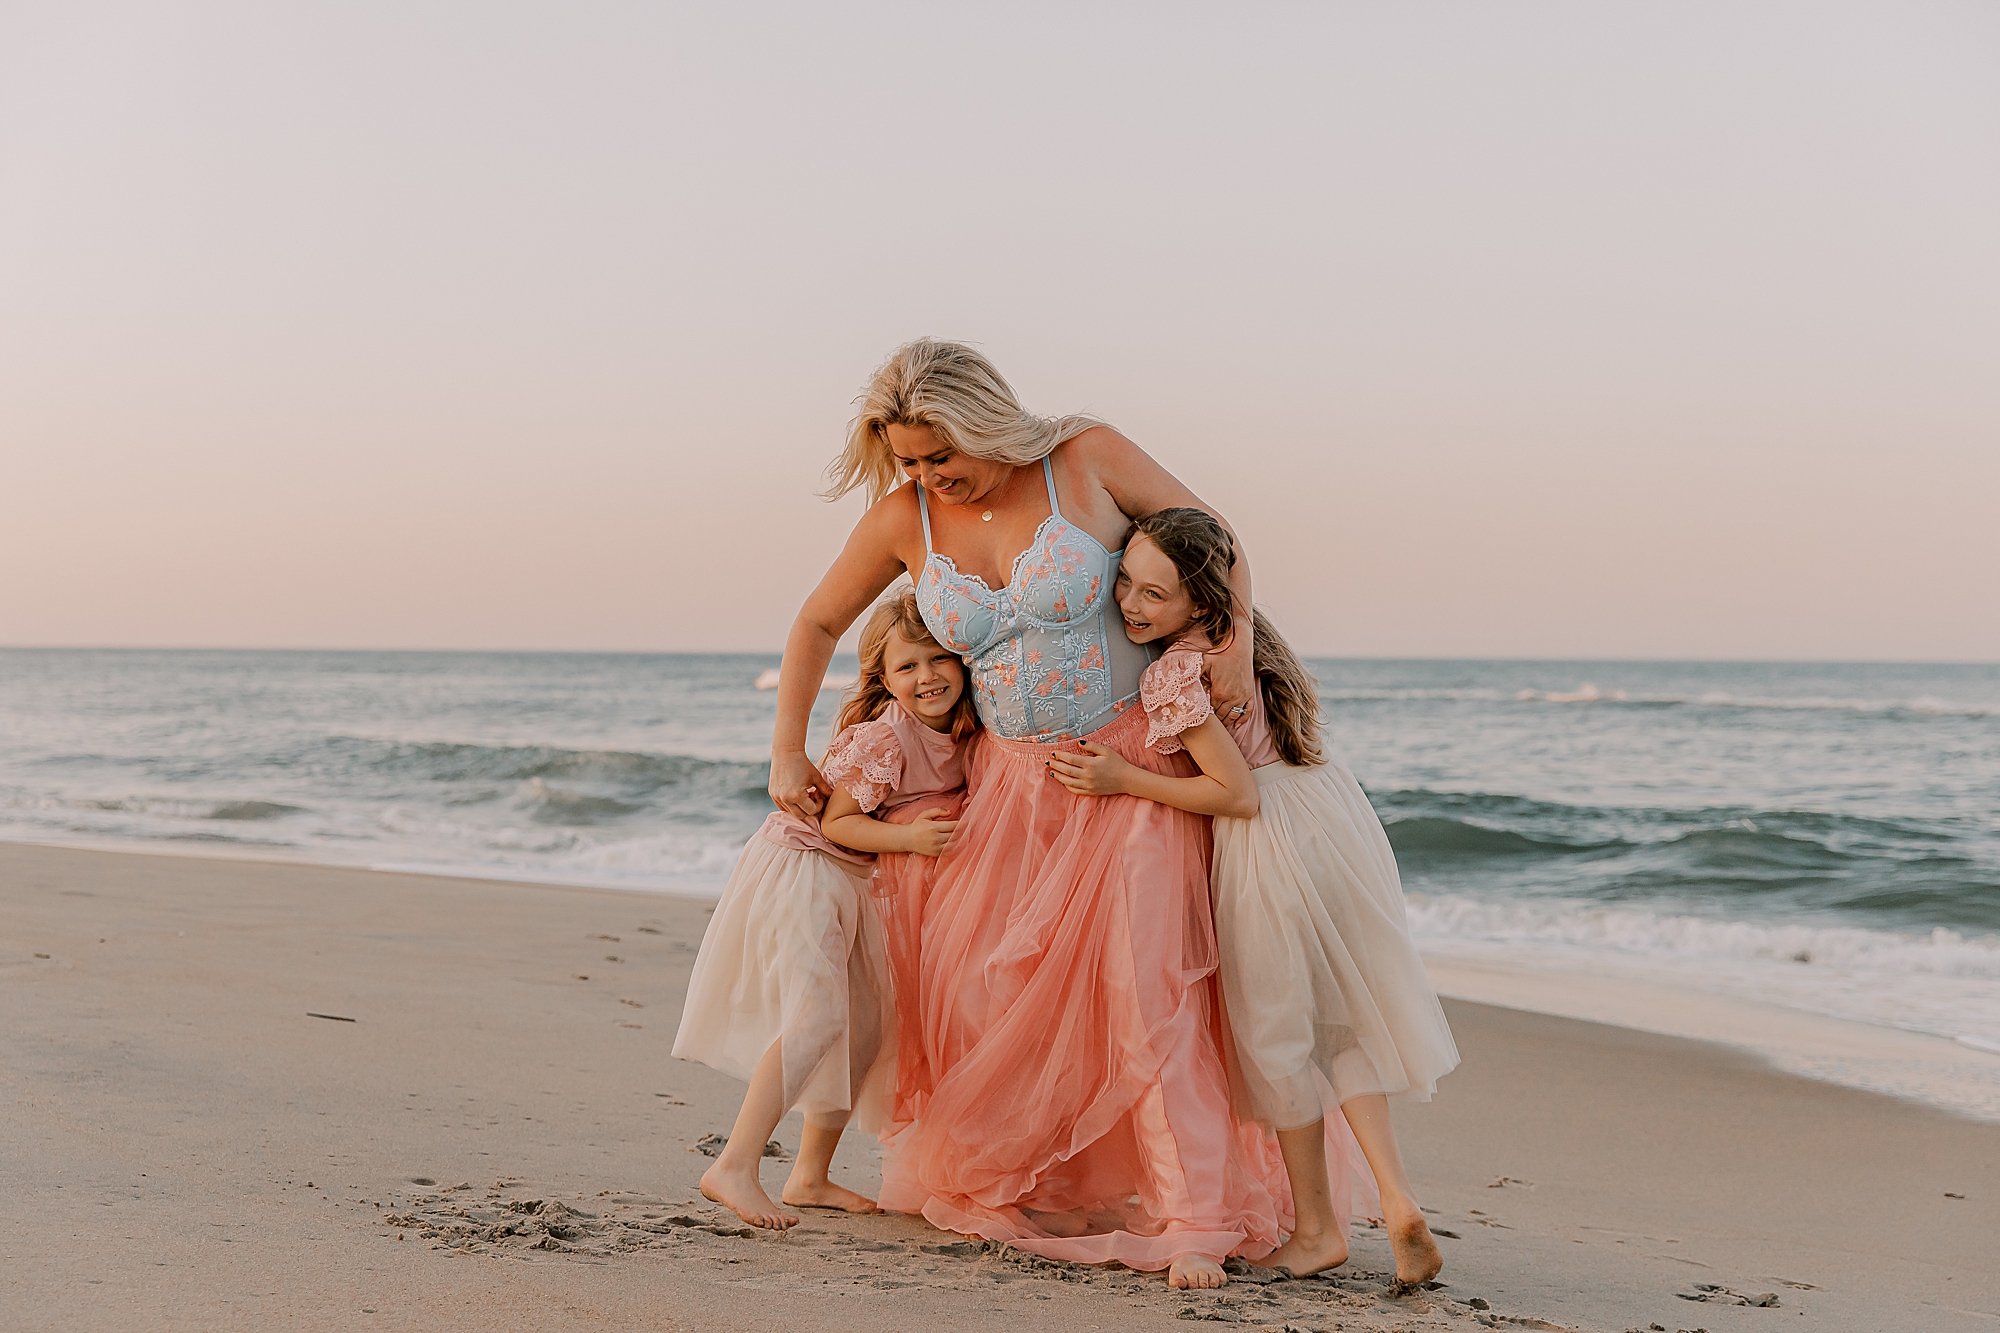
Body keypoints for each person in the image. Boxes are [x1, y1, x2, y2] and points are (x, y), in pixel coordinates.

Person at [776, 339, 1302, 1289]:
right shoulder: (907, 516)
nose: (930, 475)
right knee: (996, 996)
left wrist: (1228, 639)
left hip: (1127, 765)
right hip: (1006, 788)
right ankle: (1038, 1180)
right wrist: (787, 747)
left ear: (986, 420)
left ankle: (1194, 1218)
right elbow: (816, 622)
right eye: (910, 460)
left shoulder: (1084, 458)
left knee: (1150, 996)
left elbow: (1213, 534)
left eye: (943, 454)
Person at [1048, 507, 1460, 1284]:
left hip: (1267, 836)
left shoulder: (1173, 670)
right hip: (1333, 816)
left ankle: (1316, 1230)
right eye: (1126, 584)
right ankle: (1400, 1198)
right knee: (1341, 1026)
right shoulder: (1252, 637)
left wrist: (1119, 777)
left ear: (1200, 604)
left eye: (1154, 595)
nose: (1132, 606)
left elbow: (1233, 793)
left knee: (1279, 1039)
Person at [673, 592, 976, 1230]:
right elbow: (840, 825)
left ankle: (809, 1175)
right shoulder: (882, 737)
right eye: (907, 667)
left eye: (939, 658)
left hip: (856, 885)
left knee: (864, 1031)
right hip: (807, 870)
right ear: (883, 680)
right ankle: (733, 1163)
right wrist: (909, 839)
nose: (926, 677)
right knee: (816, 1019)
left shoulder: (959, 732)